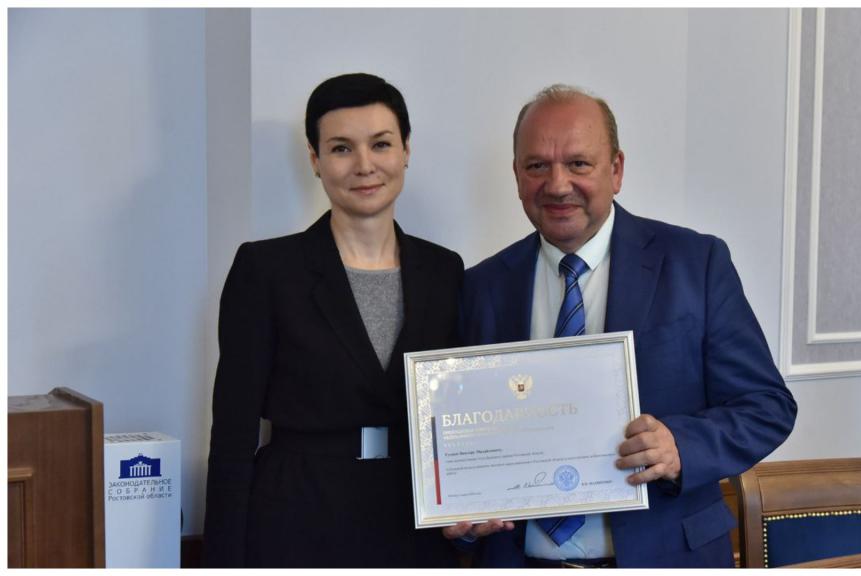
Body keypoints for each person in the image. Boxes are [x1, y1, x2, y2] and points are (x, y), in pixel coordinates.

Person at [449, 85, 797, 568]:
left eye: (578, 163)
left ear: (616, 170)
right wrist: (462, 512)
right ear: (516, 176)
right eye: (537, 166)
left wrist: (681, 447)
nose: (557, 184)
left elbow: (768, 407)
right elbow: (464, 436)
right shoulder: (480, 286)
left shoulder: (695, 263)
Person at [202, 73, 461, 568]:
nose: (364, 165)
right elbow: (232, 438)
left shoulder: (445, 271)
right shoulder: (266, 270)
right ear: (315, 159)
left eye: (381, 144)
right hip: (297, 523)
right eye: (341, 148)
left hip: (415, 529)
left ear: (406, 150)